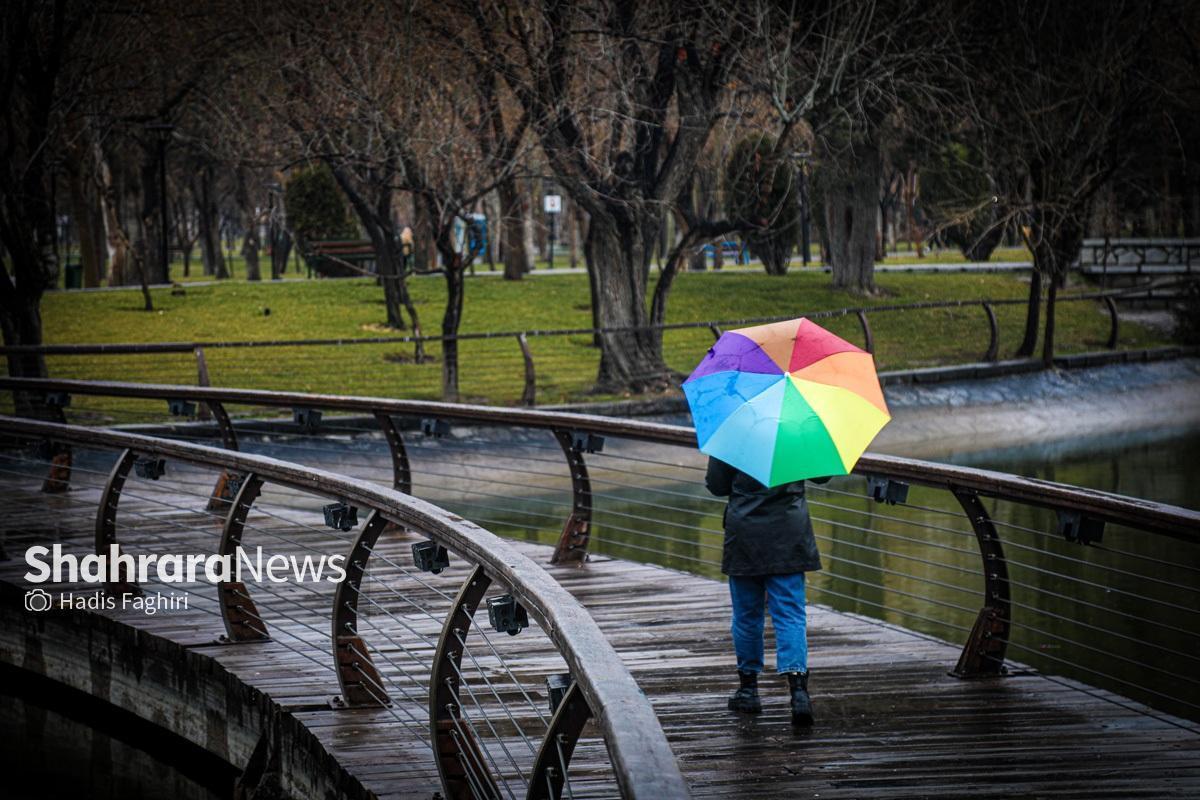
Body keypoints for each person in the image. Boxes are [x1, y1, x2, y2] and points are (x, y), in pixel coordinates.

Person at [705, 456, 828, 727]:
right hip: (789, 534)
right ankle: (799, 693)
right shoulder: (798, 433)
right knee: (790, 615)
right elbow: (822, 476)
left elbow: (716, 485)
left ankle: (748, 691)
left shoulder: (735, 433)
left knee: (747, 615)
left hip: (745, 534)